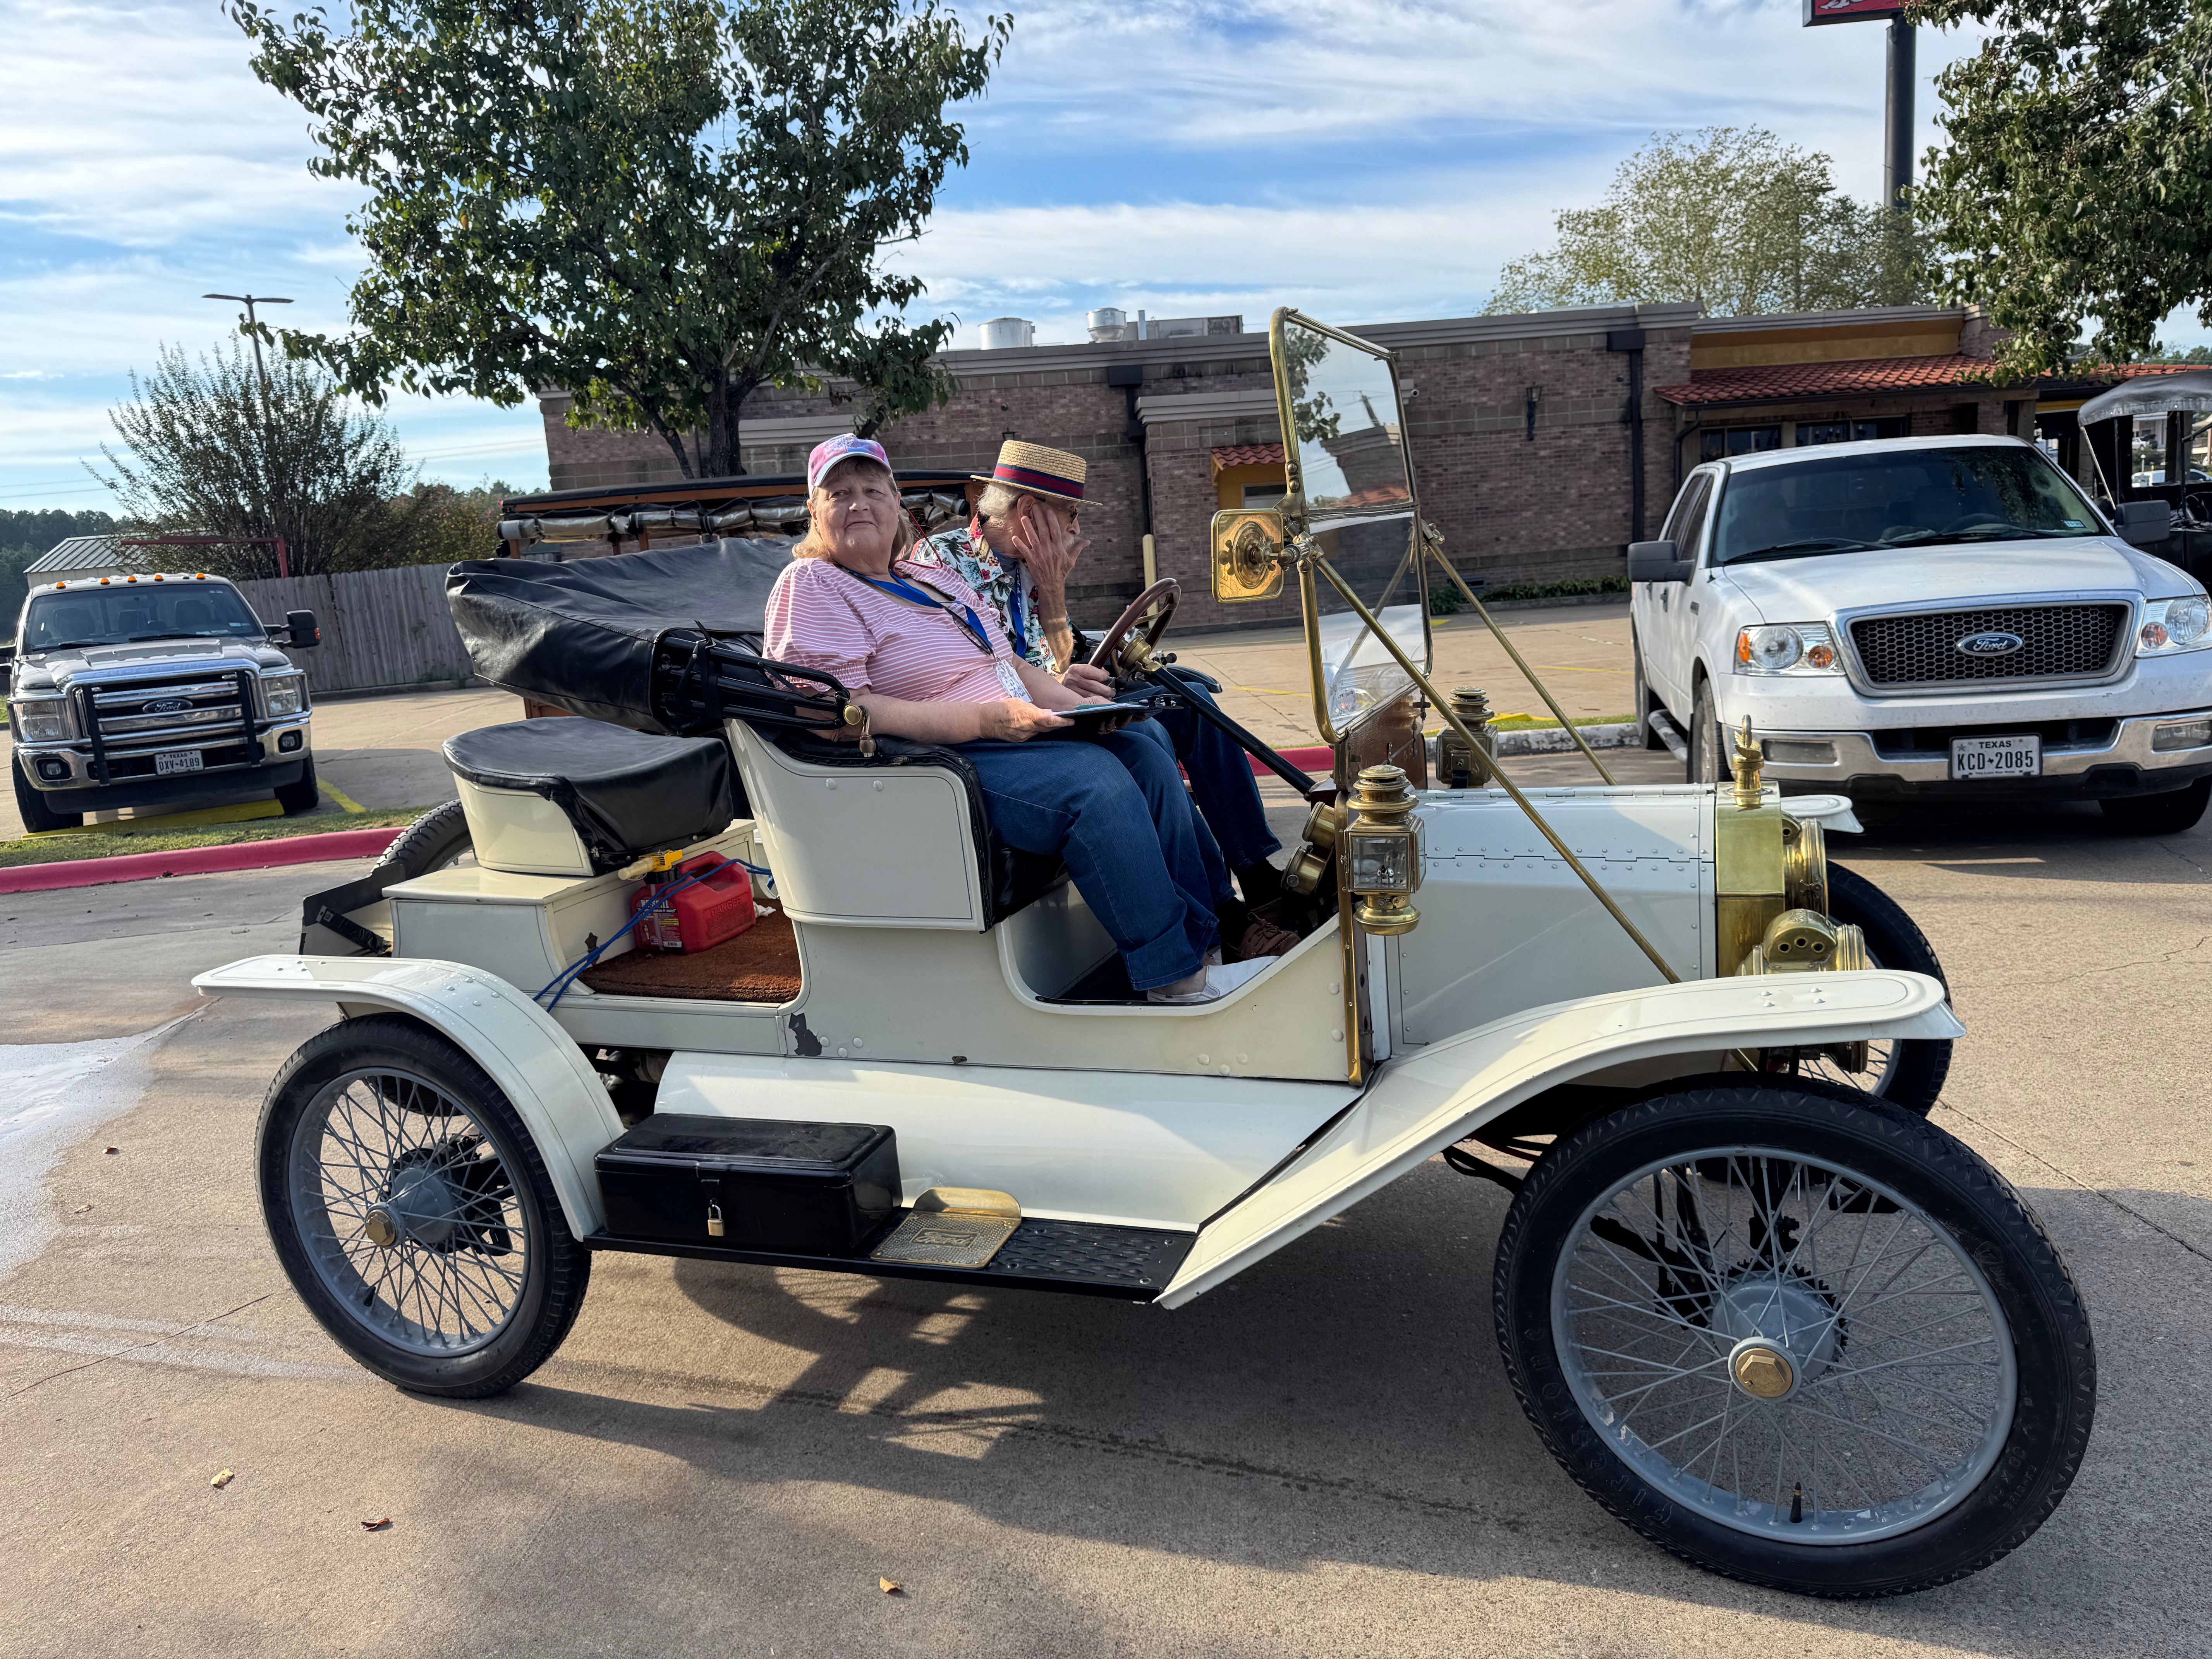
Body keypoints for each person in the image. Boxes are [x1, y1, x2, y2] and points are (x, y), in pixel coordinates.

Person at [762, 433, 1267, 1005]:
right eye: (839, 493)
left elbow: (1008, 663)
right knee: (1095, 784)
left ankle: (1205, 942)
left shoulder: (927, 580)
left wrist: (1086, 710)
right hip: (941, 760)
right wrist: (985, 720)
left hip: (1006, 732)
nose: (858, 504)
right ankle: (1173, 977)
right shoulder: (813, 584)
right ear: (814, 511)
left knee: (1147, 747)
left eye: (872, 490)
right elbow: (836, 714)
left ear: (896, 503)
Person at [911, 440, 1293, 955]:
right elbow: (984, 670)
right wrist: (1054, 598)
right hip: (1002, 729)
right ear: (1028, 513)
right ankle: (1224, 913)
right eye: (1069, 514)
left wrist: (1053, 594)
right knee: (1149, 737)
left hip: (1055, 704)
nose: (1076, 530)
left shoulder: (1029, 565)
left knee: (1192, 698)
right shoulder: (941, 564)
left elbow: (1063, 663)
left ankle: (1257, 873)